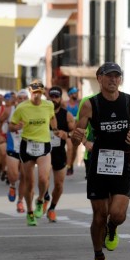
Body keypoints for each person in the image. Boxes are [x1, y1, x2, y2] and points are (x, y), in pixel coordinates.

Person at [71, 62, 130, 260]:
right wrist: (77, 140)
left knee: (117, 214)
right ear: (99, 78)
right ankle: (98, 256)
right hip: (98, 163)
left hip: (122, 163)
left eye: (116, 76)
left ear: (120, 79)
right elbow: (78, 134)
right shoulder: (90, 104)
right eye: (108, 76)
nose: (113, 80)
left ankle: (112, 229)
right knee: (99, 214)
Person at [10, 80, 59, 226]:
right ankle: (30, 212)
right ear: (30, 92)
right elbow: (11, 126)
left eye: (39, 93)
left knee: (44, 178)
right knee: (29, 182)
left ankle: (40, 200)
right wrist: (16, 126)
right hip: (27, 145)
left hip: (43, 145)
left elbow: (52, 117)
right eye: (33, 92)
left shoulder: (48, 105)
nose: (36, 96)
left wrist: (55, 129)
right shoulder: (21, 107)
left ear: (43, 93)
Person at [46, 86, 75, 222]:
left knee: (58, 185)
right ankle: (44, 196)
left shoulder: (66, 115)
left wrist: (67, 134)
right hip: (43, 152)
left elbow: (76, 133)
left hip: (59, 153)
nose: (53, 99)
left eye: (56, 97)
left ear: (60, 99)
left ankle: (52, 208)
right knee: (43, 179)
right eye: (51, 96)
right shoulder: (42, 113)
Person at [1, 90, 28, 213]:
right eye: (20, 98)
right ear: (16, 100)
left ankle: (20, 201)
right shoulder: (9, 110)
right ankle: (12, 185)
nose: (22, 101)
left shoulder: (32, 111)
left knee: (24, 176)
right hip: (12, 145)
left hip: (26, 147)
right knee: (14, 175)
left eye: (25, 98)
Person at [65, 86, 80, 176]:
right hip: (67, 130)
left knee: (74, 150)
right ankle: (68, 166)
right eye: (74, 93)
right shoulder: (65, 104)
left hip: (76, 130)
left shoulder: (79, 104)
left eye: (76, 93)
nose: (76, 94)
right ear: (70, 95)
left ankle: (71, 164)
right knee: (69, 148)